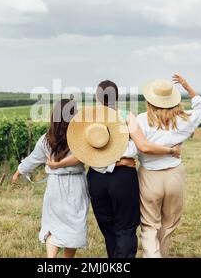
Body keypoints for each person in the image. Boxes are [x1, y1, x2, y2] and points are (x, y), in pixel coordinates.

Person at [48, 80, 181, 258]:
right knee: (125, 227)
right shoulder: (126, 115)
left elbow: (80, 149)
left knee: (107, 225)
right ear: (117, 97)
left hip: (96, 178)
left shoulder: (88, 118)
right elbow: (141, 145)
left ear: (97, 96)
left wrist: (57, 164)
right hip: (123, 175)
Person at [133, 74, 201, 258]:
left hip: (149, 176)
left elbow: (136, 146)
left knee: (149, 225)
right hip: (175, 175)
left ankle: (153, 255)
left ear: (150, 100)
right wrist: (187, 86)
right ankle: (162, 254)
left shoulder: (141, 120)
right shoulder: (184, 118)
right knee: (169, 223)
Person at [11, 99, 89, 258]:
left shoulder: (46, 139)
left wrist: (18, 171)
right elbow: (85, 156)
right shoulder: (80, 137)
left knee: (53, 224)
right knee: (74, 224)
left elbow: (33, 159)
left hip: (55, 186)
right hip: (76, 184)